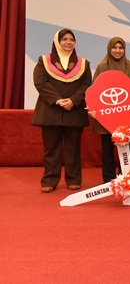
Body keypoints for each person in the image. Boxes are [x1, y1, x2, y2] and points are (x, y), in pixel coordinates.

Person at [32, 29, 92, 193]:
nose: (68, 42)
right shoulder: (44, 61)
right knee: (51, 149)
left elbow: (87, 84)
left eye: (71, 39)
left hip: (74, 111)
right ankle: (49, 180)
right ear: (57, 42)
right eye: (64, 39)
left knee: (73, 149)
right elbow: (40, 82)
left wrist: (73, 100)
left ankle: (73, 180)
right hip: (50, 110)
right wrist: (57, 100)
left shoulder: (83, 63)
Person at [89, 37, 130, 183]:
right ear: (109, 49)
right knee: (107, 149)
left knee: (127, 150)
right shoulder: (102, 66)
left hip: (127, 116)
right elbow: (95, 92)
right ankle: (108, 180)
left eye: (121, 48)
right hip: (106, 116)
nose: (117, 51)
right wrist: (94, 108)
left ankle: (126, 179)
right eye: (114, 47)